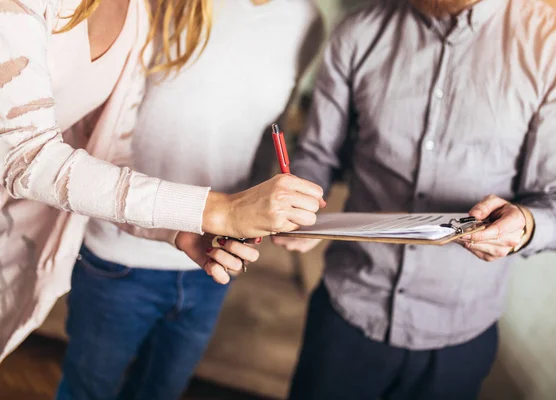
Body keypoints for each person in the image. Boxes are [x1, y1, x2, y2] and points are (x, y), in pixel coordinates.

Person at [273, 0, 556, 398]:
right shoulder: (358, 31)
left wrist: (526, 224)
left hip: (460, 336)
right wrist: (300, 200)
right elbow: (319, 155)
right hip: (345, 314)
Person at [0, 0, 324, 362]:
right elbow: (25, 156)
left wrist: (177, 229)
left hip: (16, 238)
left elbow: (111, 157)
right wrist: (215, 209)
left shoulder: (137, 12)